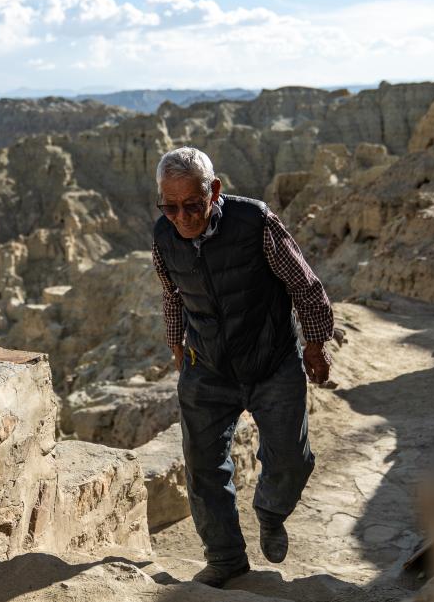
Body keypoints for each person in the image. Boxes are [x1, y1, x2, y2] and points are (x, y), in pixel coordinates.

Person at [150, 146, 334, 588]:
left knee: (291, 458)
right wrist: (176, 345)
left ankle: (270, 511)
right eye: (170, 207)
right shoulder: (163, 235)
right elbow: (172, 294)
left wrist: (315, 344)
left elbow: (305, 285)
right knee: (202, 467)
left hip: (272, 361)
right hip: (208, 367)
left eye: (192, 205)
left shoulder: (256, 222)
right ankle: (225, 558)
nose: (182, 217)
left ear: (214, 191)